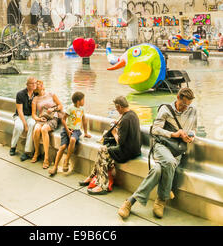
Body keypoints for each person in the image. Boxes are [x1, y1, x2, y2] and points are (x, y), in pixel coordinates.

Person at [118, 87, 197, 220]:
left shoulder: (192, 110)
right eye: (183, 105)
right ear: (178, 98)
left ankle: (129, 202)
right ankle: (163, 198)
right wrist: (174, 134)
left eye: (188, 105)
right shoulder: (165, 109)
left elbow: (193, 128)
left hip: (177, 149)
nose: (185, 108)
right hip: (162, 146)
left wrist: (191, 137)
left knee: (158, 170)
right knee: (170, 162)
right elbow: (155, 130)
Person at [79, 96, 142, 195]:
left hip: (127, 152)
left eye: (116, 108)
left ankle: (102, 185)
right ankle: (92, 176)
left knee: (102, 151)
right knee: (103, 152)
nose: (117, 110)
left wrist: (114, 132)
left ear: (119, 106)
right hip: (135, 149)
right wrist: (118, 124)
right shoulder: (132, 114)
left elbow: (120, 142)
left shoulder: (125, 119)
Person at [48, 91, 91, 176]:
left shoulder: (82, 109)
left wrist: (85, 133)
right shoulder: (70, 108)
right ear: (78, 101)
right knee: (62, 147)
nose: (84, 101)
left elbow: (84, 121)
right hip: (67, 129)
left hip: (76, 131)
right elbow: (63, 119)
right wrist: (67, 130)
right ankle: (55, 167)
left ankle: (66, 160)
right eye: (83, 100)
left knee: (73, 139)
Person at [31, 80, 63, 169]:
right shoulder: (35, 99)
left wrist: (53, 109)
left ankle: (46, 158)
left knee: (44, 129)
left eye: (40, 84)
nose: (39, 85)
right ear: (35, 89)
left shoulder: (51, 94)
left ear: (42, 85)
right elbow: (33, 114)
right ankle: (36, 152)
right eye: (37, 85)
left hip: (53, 118)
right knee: (37, 129)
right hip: (42, 118)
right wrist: (39, 119)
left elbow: (60, 106)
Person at [9, 77, 37, 161]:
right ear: (27, 85)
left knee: (32, 125)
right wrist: (25, 124)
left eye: (35, 83)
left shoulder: (36, 94)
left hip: (30, 116)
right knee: (18, 127)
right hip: (20, 116)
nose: (34, 85)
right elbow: (20, 111)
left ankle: (27, 151)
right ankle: (13, 146)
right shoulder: (20, 94)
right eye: (32, 83)